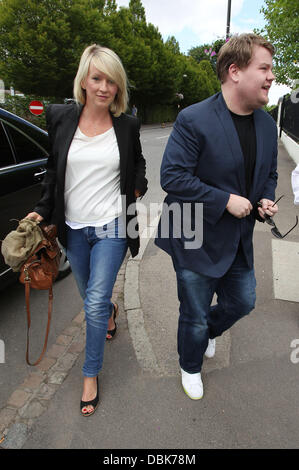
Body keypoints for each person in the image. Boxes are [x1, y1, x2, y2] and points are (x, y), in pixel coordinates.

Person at [155, 33, 278, 400]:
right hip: (193, 233)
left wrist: (265, 199)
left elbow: (268, 174)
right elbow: (172, 177)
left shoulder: (267, 124)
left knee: (243, 301)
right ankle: (190, 365)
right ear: (235, 71)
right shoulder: (194, 118)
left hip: (236, 236)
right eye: (265, 68)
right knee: (192, 312)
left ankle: (203, 333)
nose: (272, 76)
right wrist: (225, 199)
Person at [27, 44, 147, 416]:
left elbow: (138, 162)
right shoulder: (61, 118)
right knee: (91, 297)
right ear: (84, 79)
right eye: (97, 78)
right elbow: (52, 168)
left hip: (112, 225)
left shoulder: (126, 125)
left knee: (92, 302)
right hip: (74, 229)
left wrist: (138, 185)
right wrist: (40, 210)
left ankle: (90, 374)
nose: (104, 87)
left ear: (118, 87)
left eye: (111, 80)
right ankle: (110, 312)